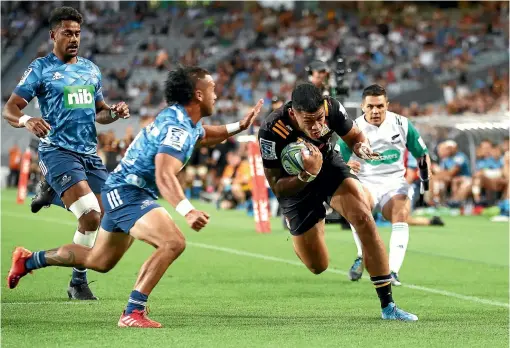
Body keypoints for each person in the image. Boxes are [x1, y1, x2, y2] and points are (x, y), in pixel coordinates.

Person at [8, 66, 264, 328]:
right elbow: (165, 174)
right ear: (198, 95)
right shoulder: (178, 127)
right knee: (172, 242)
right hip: (129, 192)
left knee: (99, 261)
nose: (216, 96)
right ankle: (133, 311)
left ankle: (29, 260)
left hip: (121, 190)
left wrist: (239, 126)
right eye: (212, 90)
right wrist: (187, 210)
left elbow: (205, 134)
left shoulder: (181, 119)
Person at [258, 83, 417, 321]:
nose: (316, 126)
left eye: (319, 119)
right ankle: (306, 228)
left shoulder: (331, 107)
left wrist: (360, 147)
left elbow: (354, 136)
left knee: (364, 217)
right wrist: (306, 174)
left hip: (329, 167)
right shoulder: (271, 130)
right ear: (293, 113)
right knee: (318, 265)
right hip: (296, 185)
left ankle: (388, 306)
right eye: (308, 121)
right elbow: (277, 186)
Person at [2, 7, 130, 300]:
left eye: (77, 33)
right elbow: (10, 108)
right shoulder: (40, 69)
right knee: (89, 213)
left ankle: (75, 281)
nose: (74, 38)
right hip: (58, 152)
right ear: (53, 35)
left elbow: (100, 114)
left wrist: (115, 112)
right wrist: (27, 120)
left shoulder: (90, 69)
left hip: (89, 156)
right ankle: (77, 280)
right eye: (67, 33)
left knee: (104, 217)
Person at [338, 84, 432, 285]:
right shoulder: (352, 129)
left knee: (401, 212)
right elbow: (336, 161)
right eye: (370, 106)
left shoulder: (402, 124)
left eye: (380, 106)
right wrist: (346, 166)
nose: (375, 111)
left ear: (387, 105)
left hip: (394, 183)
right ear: (362, 106)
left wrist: (425, 182)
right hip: (366, 182)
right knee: (359, 207)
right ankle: (361, 255)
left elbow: (422, 154)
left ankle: (393, 271)